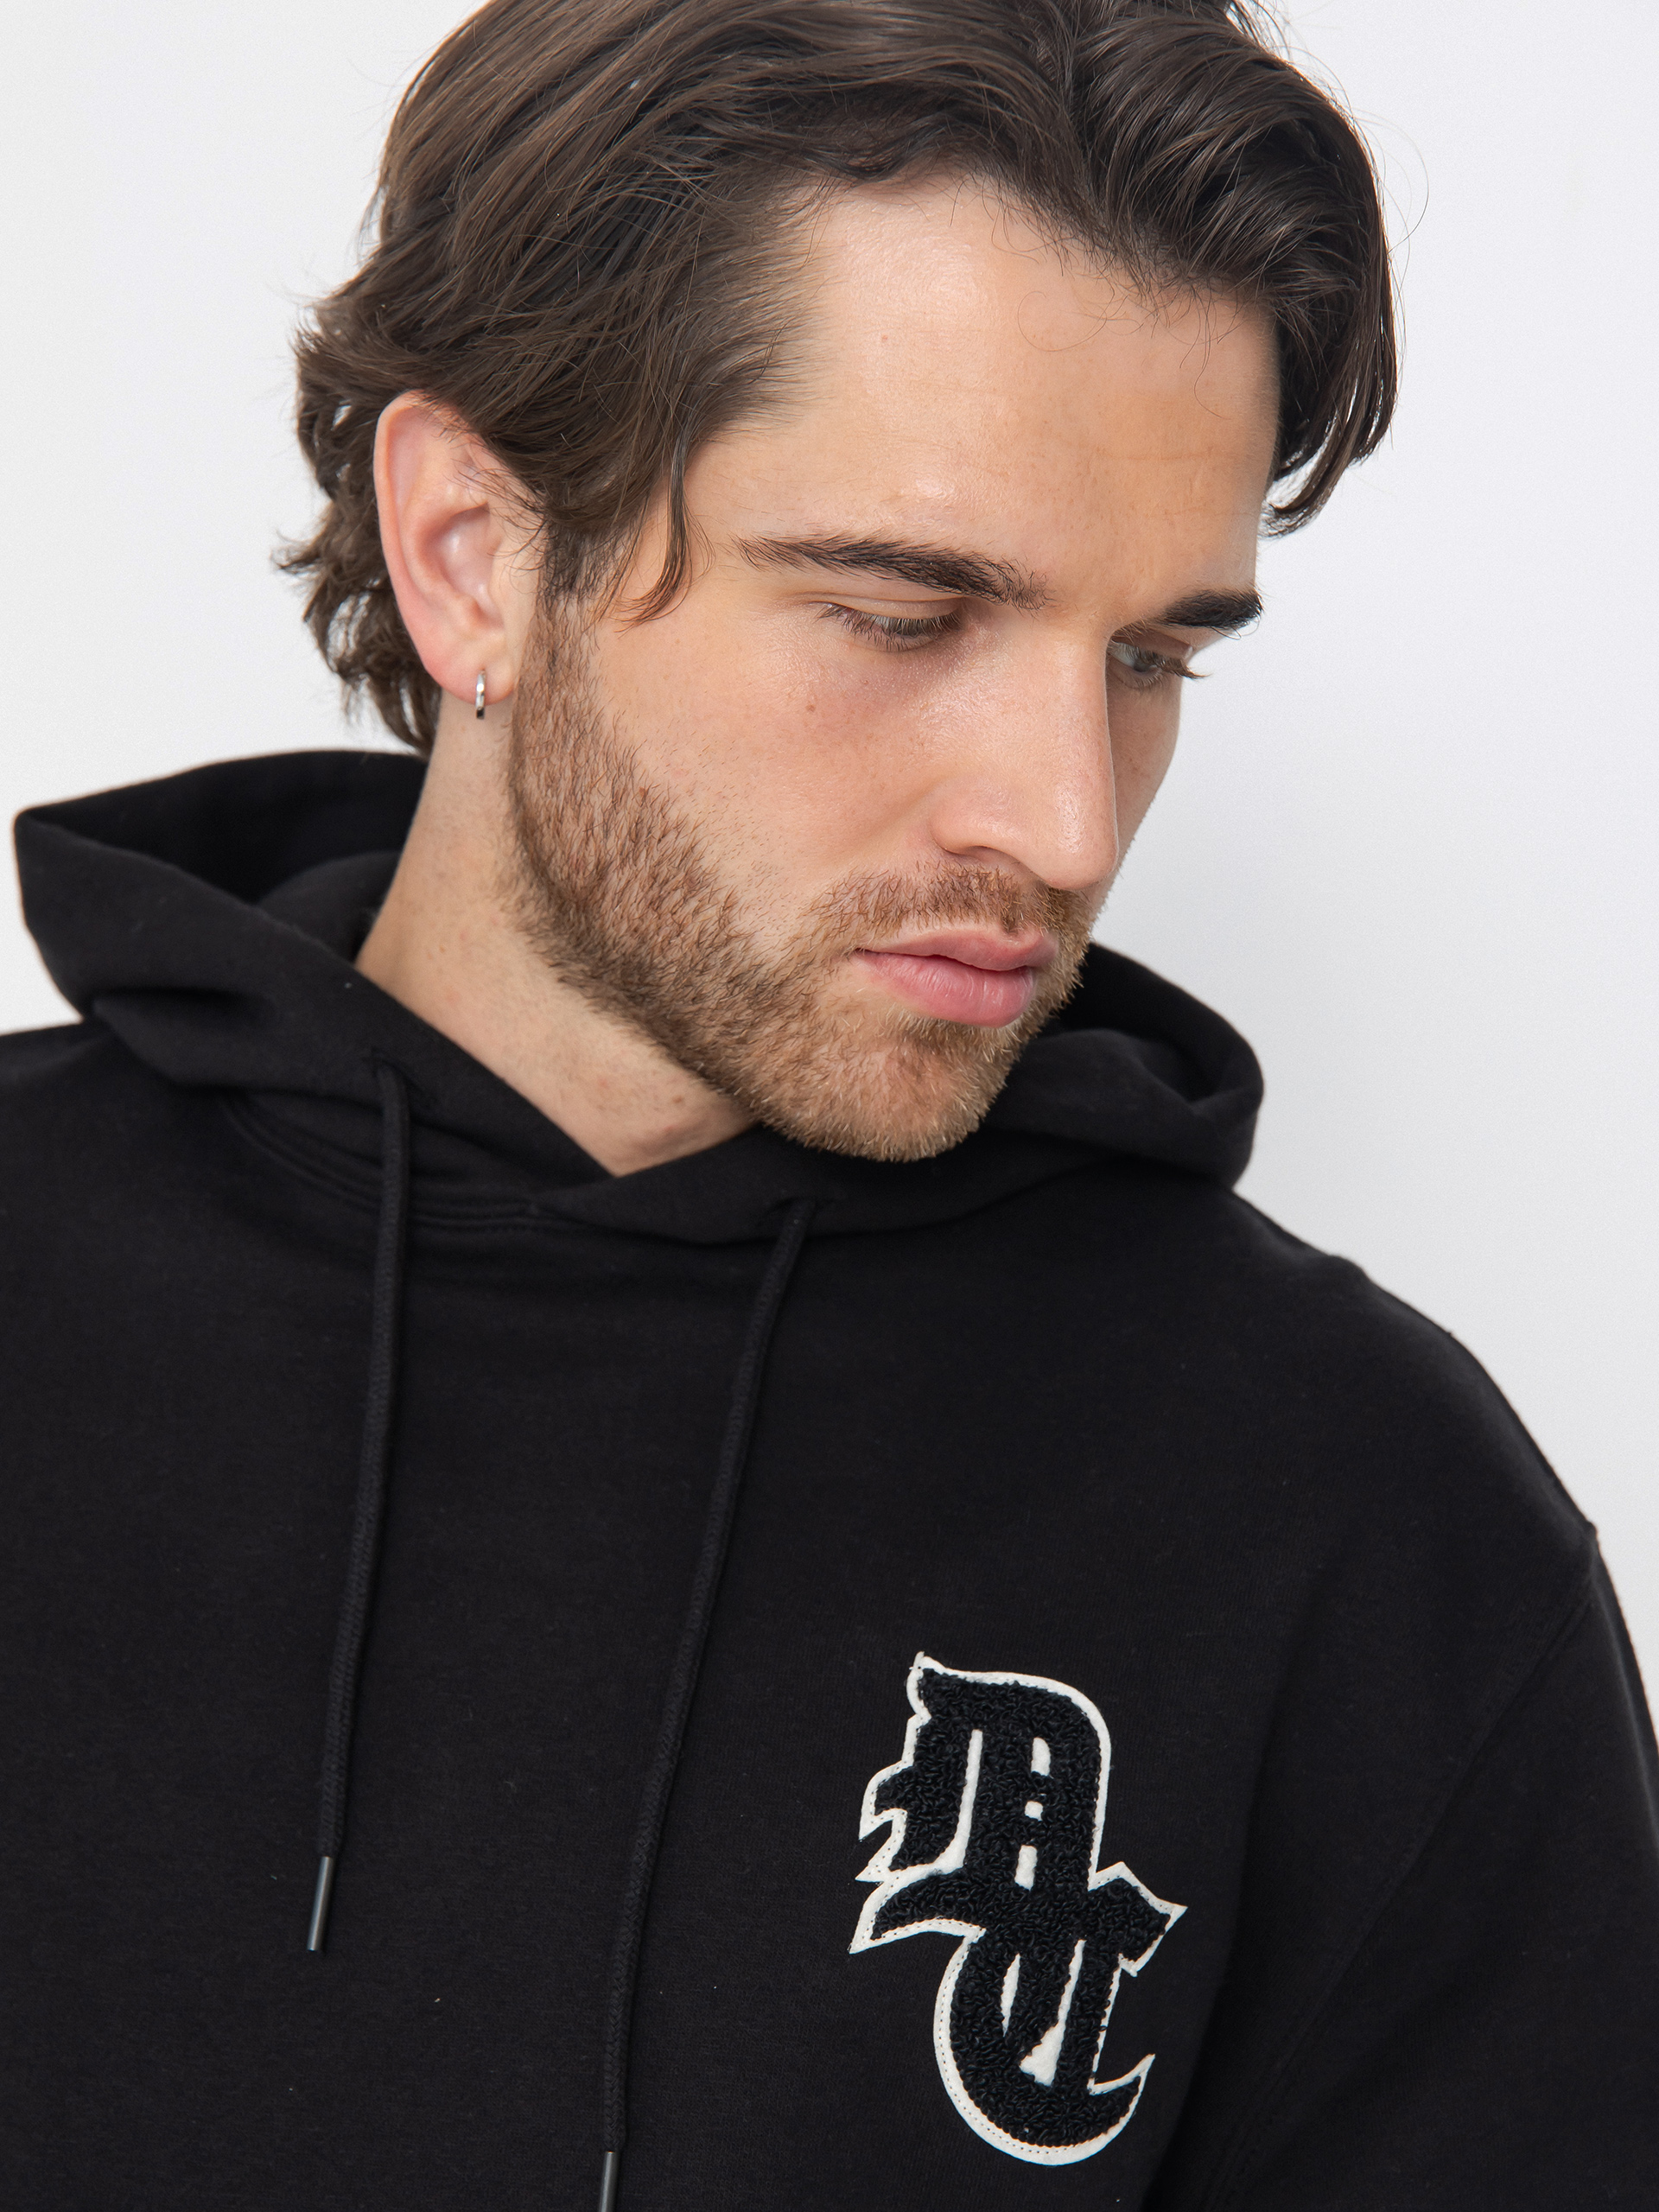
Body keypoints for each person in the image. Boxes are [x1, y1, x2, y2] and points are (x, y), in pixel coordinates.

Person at [3, 0, 1655, 2204]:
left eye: (1151, 657)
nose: (1067, 820)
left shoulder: (1377, 1538)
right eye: (900, 613)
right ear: (475, 548)